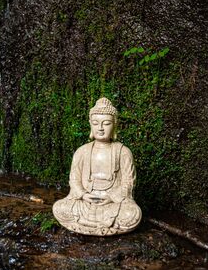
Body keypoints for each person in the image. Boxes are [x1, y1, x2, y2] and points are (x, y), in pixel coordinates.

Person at [52, 97, 142, 236]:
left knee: (133, 214)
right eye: (95, 123)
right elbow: (74, 180)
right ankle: (103, 226)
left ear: (115, 124)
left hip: (112, 203)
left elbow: (129, 182)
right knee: (59, 207)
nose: (100, 128)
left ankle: (85, 225)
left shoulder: (123, 151)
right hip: (86, 202)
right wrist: (83, 195)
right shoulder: (82, 151)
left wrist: (111, 197)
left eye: (106, 123)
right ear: (90, 124)